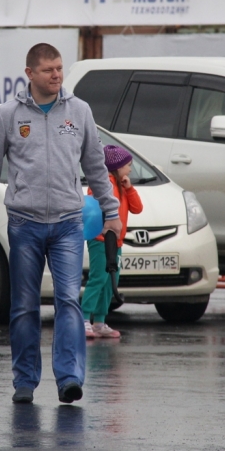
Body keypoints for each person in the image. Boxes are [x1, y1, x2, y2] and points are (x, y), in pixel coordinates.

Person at [0, 42, 121, 405]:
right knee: (24, 304)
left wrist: (110, 210)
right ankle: (25, 380)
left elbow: (96, 166)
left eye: (59, 68)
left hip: (69, 223)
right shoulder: (8, 115)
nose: (56, 75)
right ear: (30, 74)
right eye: (48, 69)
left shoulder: (79, 111)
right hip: (25, 223)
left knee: (68, 301)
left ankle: (69, 378)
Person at [83, 144, 142, 340]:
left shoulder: (122, 185)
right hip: (101, 239)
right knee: (98, 278)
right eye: (128, 165)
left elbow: (137, 209)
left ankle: (99, 321)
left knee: (110, 281)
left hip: (116, 242)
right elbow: (103, 207)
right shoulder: (105, 184)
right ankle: (83, 319)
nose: (130, 169)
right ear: (116, 167)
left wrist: (130, 188)